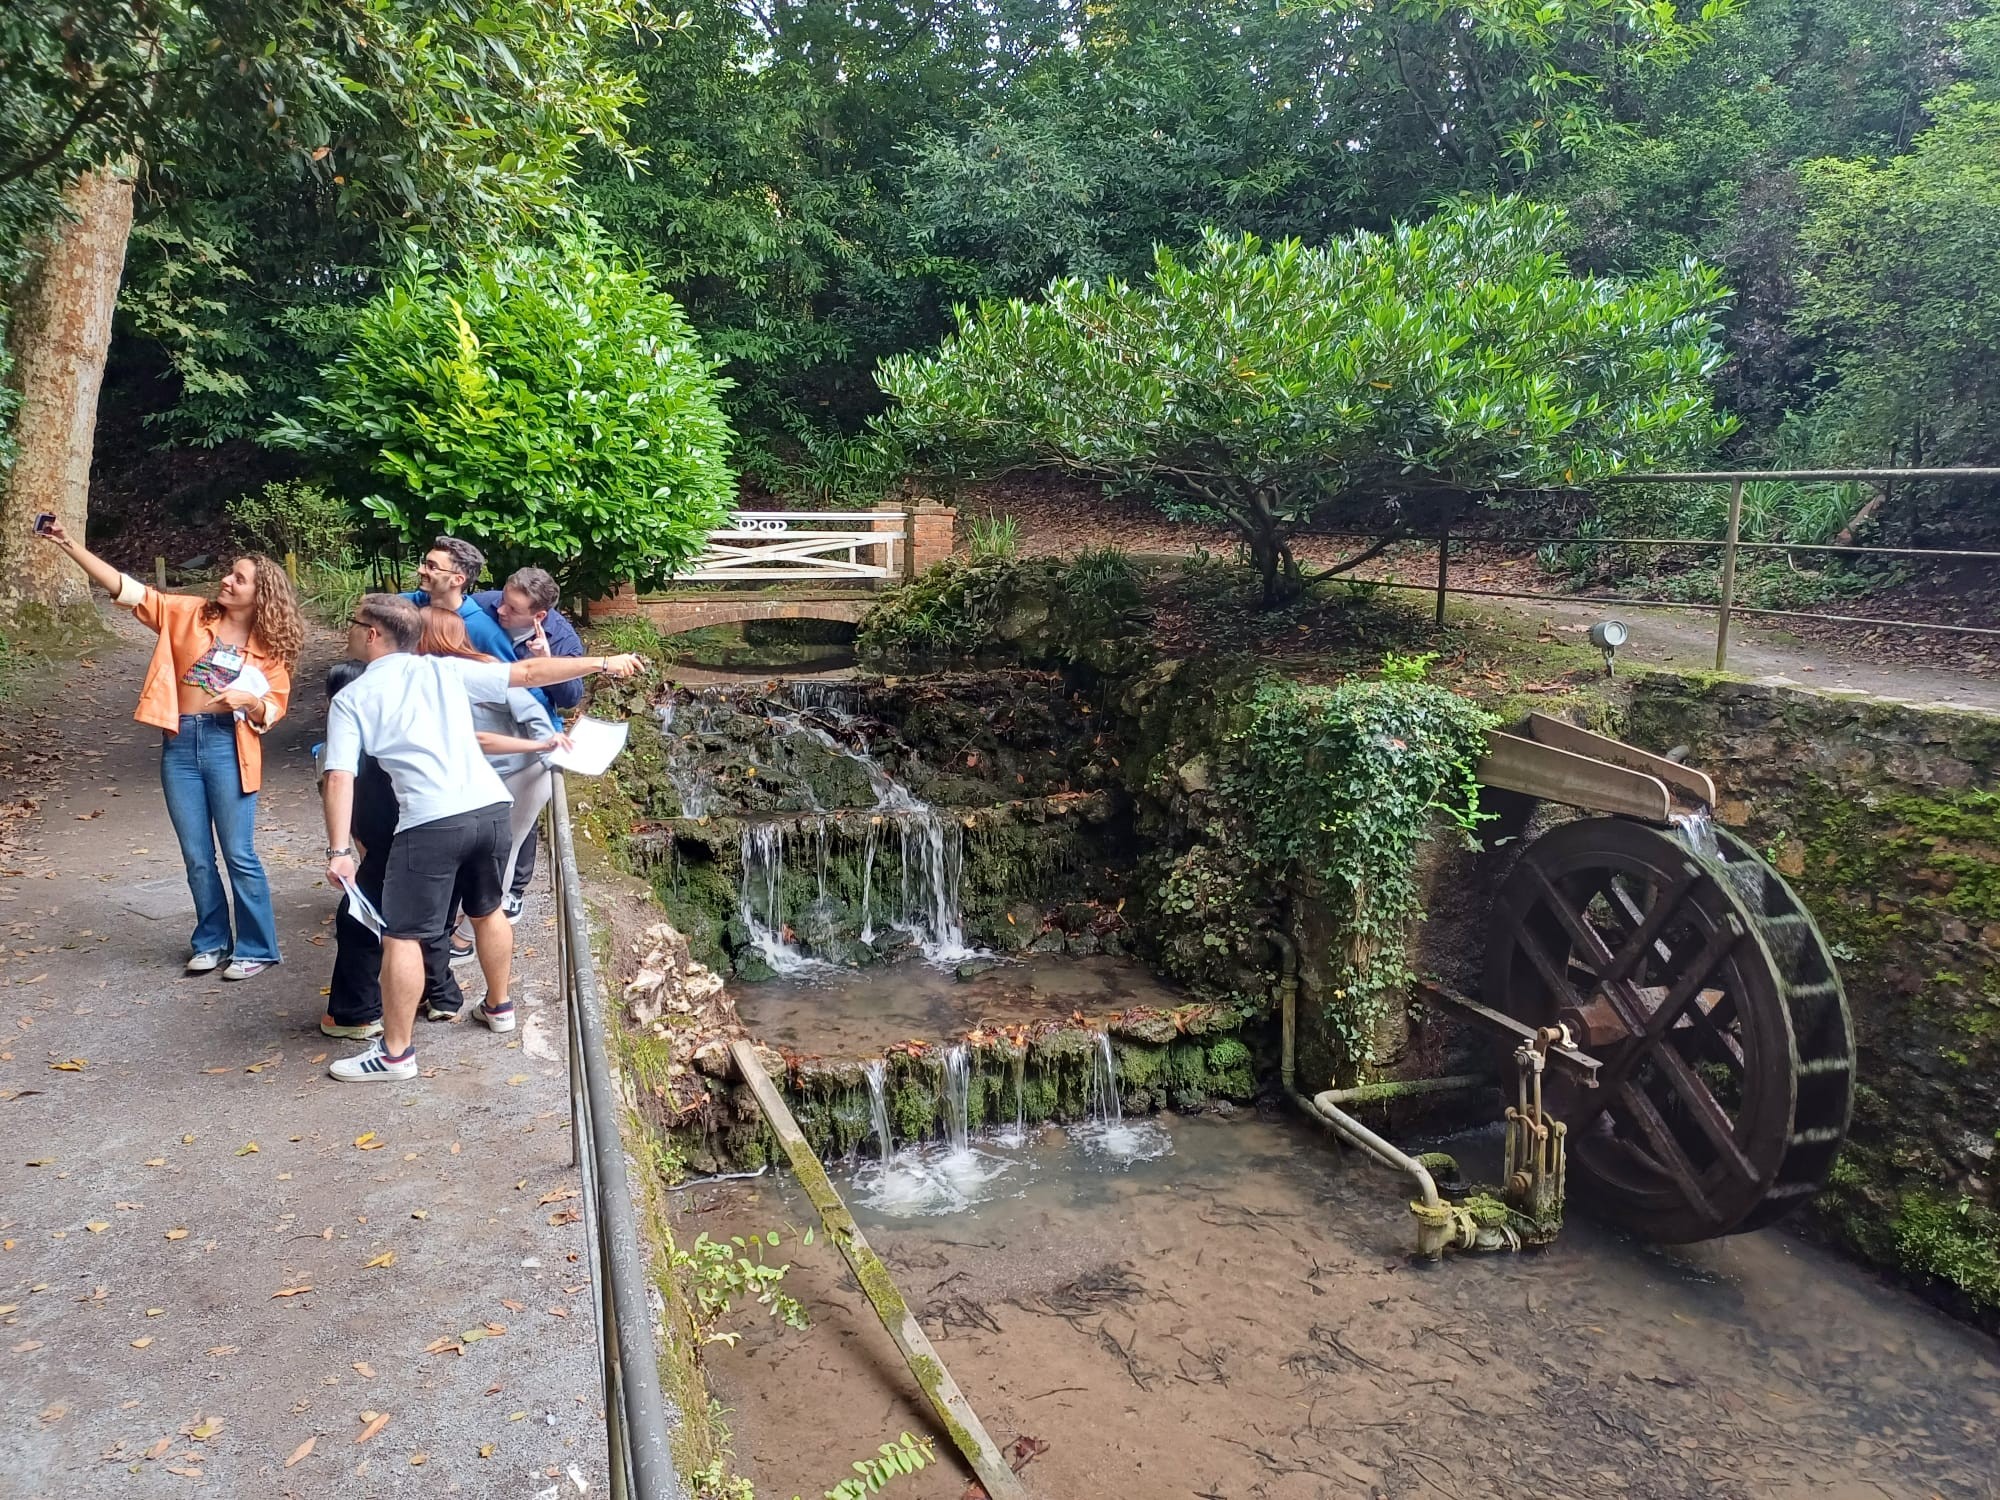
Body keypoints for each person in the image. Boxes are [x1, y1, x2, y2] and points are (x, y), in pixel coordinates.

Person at [321, 594, 643, 1082]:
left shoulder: (352, 697)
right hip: (490, 806)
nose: (349, 630)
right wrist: (603, 661)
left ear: (372, 633)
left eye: (353, 622)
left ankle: (396, 1054)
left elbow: (340, 776)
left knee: (402, 935)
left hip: (429, 819)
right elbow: (531, 675)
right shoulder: (444, 671)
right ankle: (499, 1006)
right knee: (487, 910)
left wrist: (341, 850)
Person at [39, 519, 301, 979]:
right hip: (180, 743)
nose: (226, 579)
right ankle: (213, 940)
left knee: (239, 853)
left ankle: (257, 947)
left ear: (262, 595)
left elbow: (272, 710)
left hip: (228, 745)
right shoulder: (188, 614)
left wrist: (248, 701)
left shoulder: (269, 650)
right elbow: (127, 590)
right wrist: (68, 545)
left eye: (239, 578)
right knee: (197, 853)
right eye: (229, 572)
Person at [415, 606, 569, 1012]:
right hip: (482, 779)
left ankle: (466, 941)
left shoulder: (481, 672)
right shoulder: (429, 679)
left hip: (519, 773)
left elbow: (533, 714)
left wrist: (548, 748)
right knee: (482, 863)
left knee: (500, 860)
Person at [317, 661, 463, 1039]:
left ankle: (356, 1013)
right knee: (432, 918)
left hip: (401, 840)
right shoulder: (412, 726)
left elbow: (359, 815)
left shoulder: (352, 749)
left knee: (360, 923)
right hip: (454, 827)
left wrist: (343, 854)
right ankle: (441, 995)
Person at [467, 565, 585, 921]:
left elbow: (571, 697)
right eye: (503, 601)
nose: (501, 610)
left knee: (522, 812)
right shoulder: (482, 606)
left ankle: (514, 890)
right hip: (485, 717)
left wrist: (546, 663)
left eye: (512, 609)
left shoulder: (562, 637)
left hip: (534, 728)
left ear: (539, 616)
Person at [402, 536, 517, 663]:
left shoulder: (485, 632)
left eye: (432, 567)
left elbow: (514, 677)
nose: (420, 570)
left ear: (457, 580)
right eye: (425, 564)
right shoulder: (406, 605)